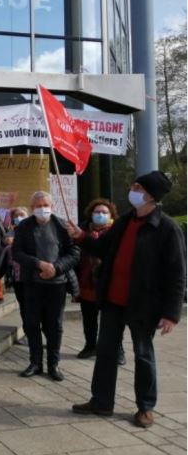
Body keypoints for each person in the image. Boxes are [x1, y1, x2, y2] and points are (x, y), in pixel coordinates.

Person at [69, 171, 186, 428]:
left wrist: (171, 313)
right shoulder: (124, 222)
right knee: (106, 352)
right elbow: (103, 248)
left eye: (137, 187)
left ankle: (145, 407)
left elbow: (177, 274)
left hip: (144, 305)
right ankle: (101, 401)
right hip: (112, 300)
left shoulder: (167, 228)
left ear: (150, 195)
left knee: (143, 355)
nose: (131, 190)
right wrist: (81, 237)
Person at [13, 191, 80, 381]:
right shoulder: (24, 226)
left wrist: (56, 268)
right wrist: (38, 264)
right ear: (32, 207)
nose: (42, 209)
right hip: (32, 282)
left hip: (57, 284)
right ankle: (35, 362)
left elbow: (74, 253)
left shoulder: (61, 225)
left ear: (51, 206)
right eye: (38, 206)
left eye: (45, 205)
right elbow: (17, 252)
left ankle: (53, 364)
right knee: (32, 323)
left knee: (55, 325)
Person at [74, 199, 125, 365]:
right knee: (89, 318)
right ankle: (90, 346)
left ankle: (118, 350)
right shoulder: (81, 232)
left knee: (113, 320)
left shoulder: (116, 232)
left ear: (111, 215)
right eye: (97, 212)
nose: (100, 215)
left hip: (109, 283)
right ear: (91, 214)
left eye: (104, 212)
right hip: (87, 282)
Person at [0, 206, 29, 345]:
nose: (19, 217)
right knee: (23, 305)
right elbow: (1, 252)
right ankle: (28, 333)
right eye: (17, 215)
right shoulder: (9, 232)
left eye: (22, 215)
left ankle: (35, 333)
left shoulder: (33, 230)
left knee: (33, 307)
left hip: (32, 275)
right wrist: (3, 243)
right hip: (16, 276)